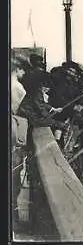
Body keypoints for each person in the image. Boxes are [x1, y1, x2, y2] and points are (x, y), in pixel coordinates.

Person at [18, 71, 69, 148]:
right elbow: (40, 108)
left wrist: (53, 109)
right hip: (27, 116)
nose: (47, 91)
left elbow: (41, 104)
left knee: (53, 122)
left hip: (29, 114)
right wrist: (49, 117)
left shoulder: (36, 91)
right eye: (47, 88)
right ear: (43, 86)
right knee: (55, 123)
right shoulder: (37, 93)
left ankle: (62, 132)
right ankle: (62, 134)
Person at [11, 55, 29, 232]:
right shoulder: (17, 87)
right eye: (23, 70)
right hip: (14, 130)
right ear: (17, 70)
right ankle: (14, 221)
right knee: (14, 173)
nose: (24, 73)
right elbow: (21, 109)